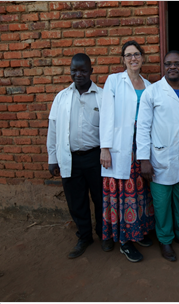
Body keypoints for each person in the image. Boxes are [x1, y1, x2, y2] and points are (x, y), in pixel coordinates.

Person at [137, 50, 179, 262]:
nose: (172, 67)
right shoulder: (152, 92)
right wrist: (144, 159)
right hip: (159, 159)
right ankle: (165, 240)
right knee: (162, 203)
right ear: (164, 67)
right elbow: (143, 127)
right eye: (168, 64)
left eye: (177, 64)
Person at [47, 53, 107, 258]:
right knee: (76, 200)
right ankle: (84, 236)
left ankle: (103, 234)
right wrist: (52, 158)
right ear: (70, 71)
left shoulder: (102, 96)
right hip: (70, 158)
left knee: (100, 199)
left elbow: (109, 129)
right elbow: (53, 129)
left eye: (83, 70)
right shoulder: (62, 97)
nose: (78, 74)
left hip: (95, 157)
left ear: (91, 70)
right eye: (74, 70)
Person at [99, 40, 154, 263]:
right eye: (128, 55)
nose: (133, 58)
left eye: (137, 54)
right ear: (123, 59)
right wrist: (104, 148)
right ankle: (124, 241)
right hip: (119, 146)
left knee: (139, 190)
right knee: (123, 194)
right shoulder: (114, 81)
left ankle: (136, 232)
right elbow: (106, 115)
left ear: (142, 57)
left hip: (140, 145)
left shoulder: (149, 85)